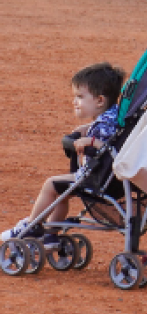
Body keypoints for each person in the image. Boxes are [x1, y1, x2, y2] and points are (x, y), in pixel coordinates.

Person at [0, 63, 125, 244]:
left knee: (50, 185)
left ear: (99, 101)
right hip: (111, 178)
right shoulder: (115, 115)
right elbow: (113, 136)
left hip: (97, 178)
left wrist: (90, 141)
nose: (75, 101)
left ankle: (32, 225)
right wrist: (88, 129)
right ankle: (50, 235)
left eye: (80, 97)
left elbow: (106, 146)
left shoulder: (102, 125)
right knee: (62, 192)